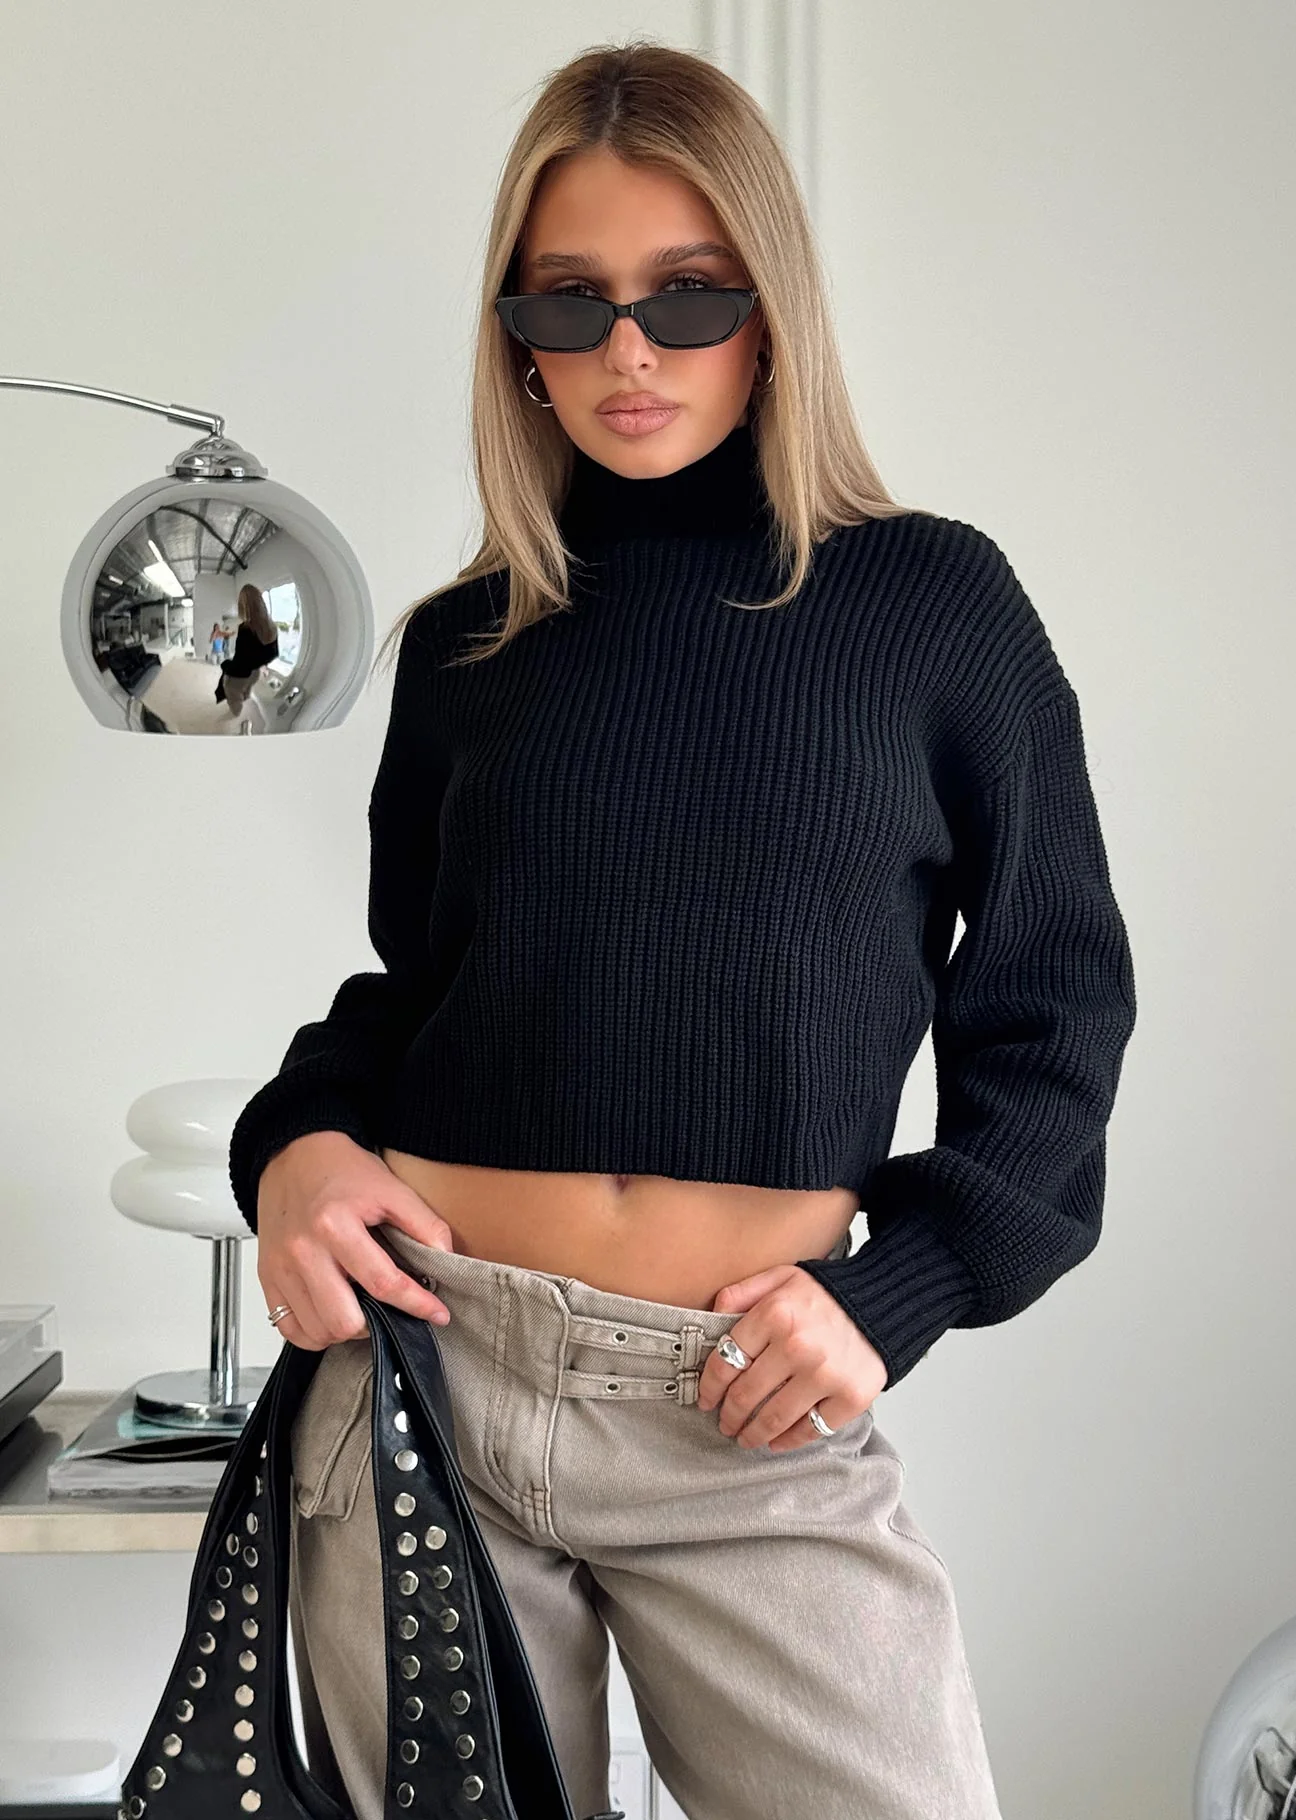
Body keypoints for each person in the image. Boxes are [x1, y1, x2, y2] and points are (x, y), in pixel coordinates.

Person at [227, 39, 1137, 1820]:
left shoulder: (933, 605)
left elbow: (1054, 1014)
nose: (628, 350)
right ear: (518, 336)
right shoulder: (471, 640)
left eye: (687, 295)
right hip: (427, 1371)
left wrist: (906, 1286)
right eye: (570, 302)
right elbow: (421, 989)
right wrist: (297, 1148)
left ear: (769, 310)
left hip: (741, 1404)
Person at [214, 582, 279, 712]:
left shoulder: (245, 629)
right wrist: (258, 664)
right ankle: (245, 702)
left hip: (240, 676)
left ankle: (238, 714)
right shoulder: (272, 626)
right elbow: (273, 653)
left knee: (233, 695)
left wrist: (226, 665)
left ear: (243, 605)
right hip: (255, 674)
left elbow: (241, 661)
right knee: (246, 691)